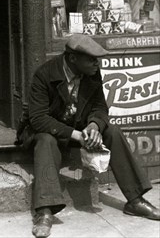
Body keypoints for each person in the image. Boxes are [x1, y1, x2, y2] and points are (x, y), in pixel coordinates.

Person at [17, 34, 160, 238]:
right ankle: (45, 212)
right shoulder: (44, 74)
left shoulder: (91, 73)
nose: (96, 63)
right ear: (73, 58)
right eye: (91, 59)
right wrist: (77, 135)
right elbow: (39, 119)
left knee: (113, 131)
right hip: (49, 133)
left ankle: (135, 200)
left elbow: (100, 107)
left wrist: (94, 125)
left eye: (97, 59)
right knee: (45, 139)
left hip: (78, 129)